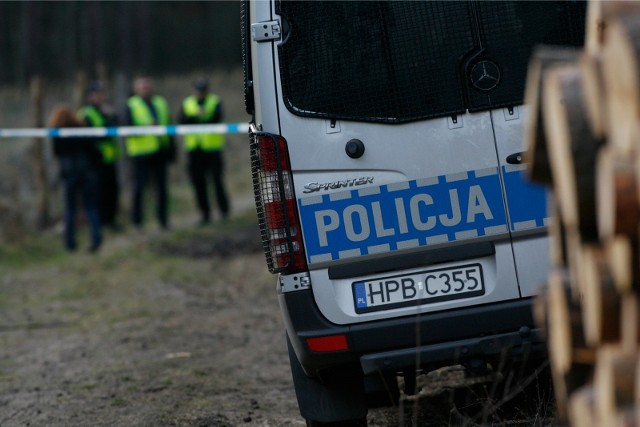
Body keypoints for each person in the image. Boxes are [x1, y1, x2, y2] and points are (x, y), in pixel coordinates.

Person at [123, 76, 174, 230]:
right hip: (141, 153)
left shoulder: (161, 102)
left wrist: (172, 150)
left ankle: (163, 221)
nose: (145, 89)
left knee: (162, 188)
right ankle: (137, 222)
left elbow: (169, 126)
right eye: (142, 87)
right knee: (139, 189)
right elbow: (127, 129)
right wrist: (147, 126)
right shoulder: (131, 105)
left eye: (147, 86)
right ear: (136, 89)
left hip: (160, 151)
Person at [49, 105, 103, 252]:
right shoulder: (81, 128)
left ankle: (70, 242)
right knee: (91, 207)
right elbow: (94, 150)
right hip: (87, 172)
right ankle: (96, 238)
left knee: (70, 209)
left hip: (69, 173)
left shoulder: (58, 133)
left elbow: (56, 153)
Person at [178, 78, 230, 225]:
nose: (200, 93)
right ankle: (205, 213)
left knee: (217, 180)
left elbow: (217, 118)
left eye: (203, 90)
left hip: (212, 148)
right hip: (195, 150)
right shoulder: (187, 103)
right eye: (198, 90)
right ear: (193, 90)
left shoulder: (215, 101)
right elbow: (181, 120)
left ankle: (224, 210)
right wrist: (196, 116)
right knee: (198, 182)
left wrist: (198, 117)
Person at [78, 81, 120, 230]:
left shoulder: (106, 111)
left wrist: (110, 116)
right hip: (95, 160)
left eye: (101, 94)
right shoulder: (86, 113)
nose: (99, 97)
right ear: (90, 96)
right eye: (96, 94)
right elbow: (91, 137)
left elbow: (115, 128)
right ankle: (100, 222)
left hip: (109, 157)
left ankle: (111, 220)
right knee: (98, 193)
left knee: (112, 191)